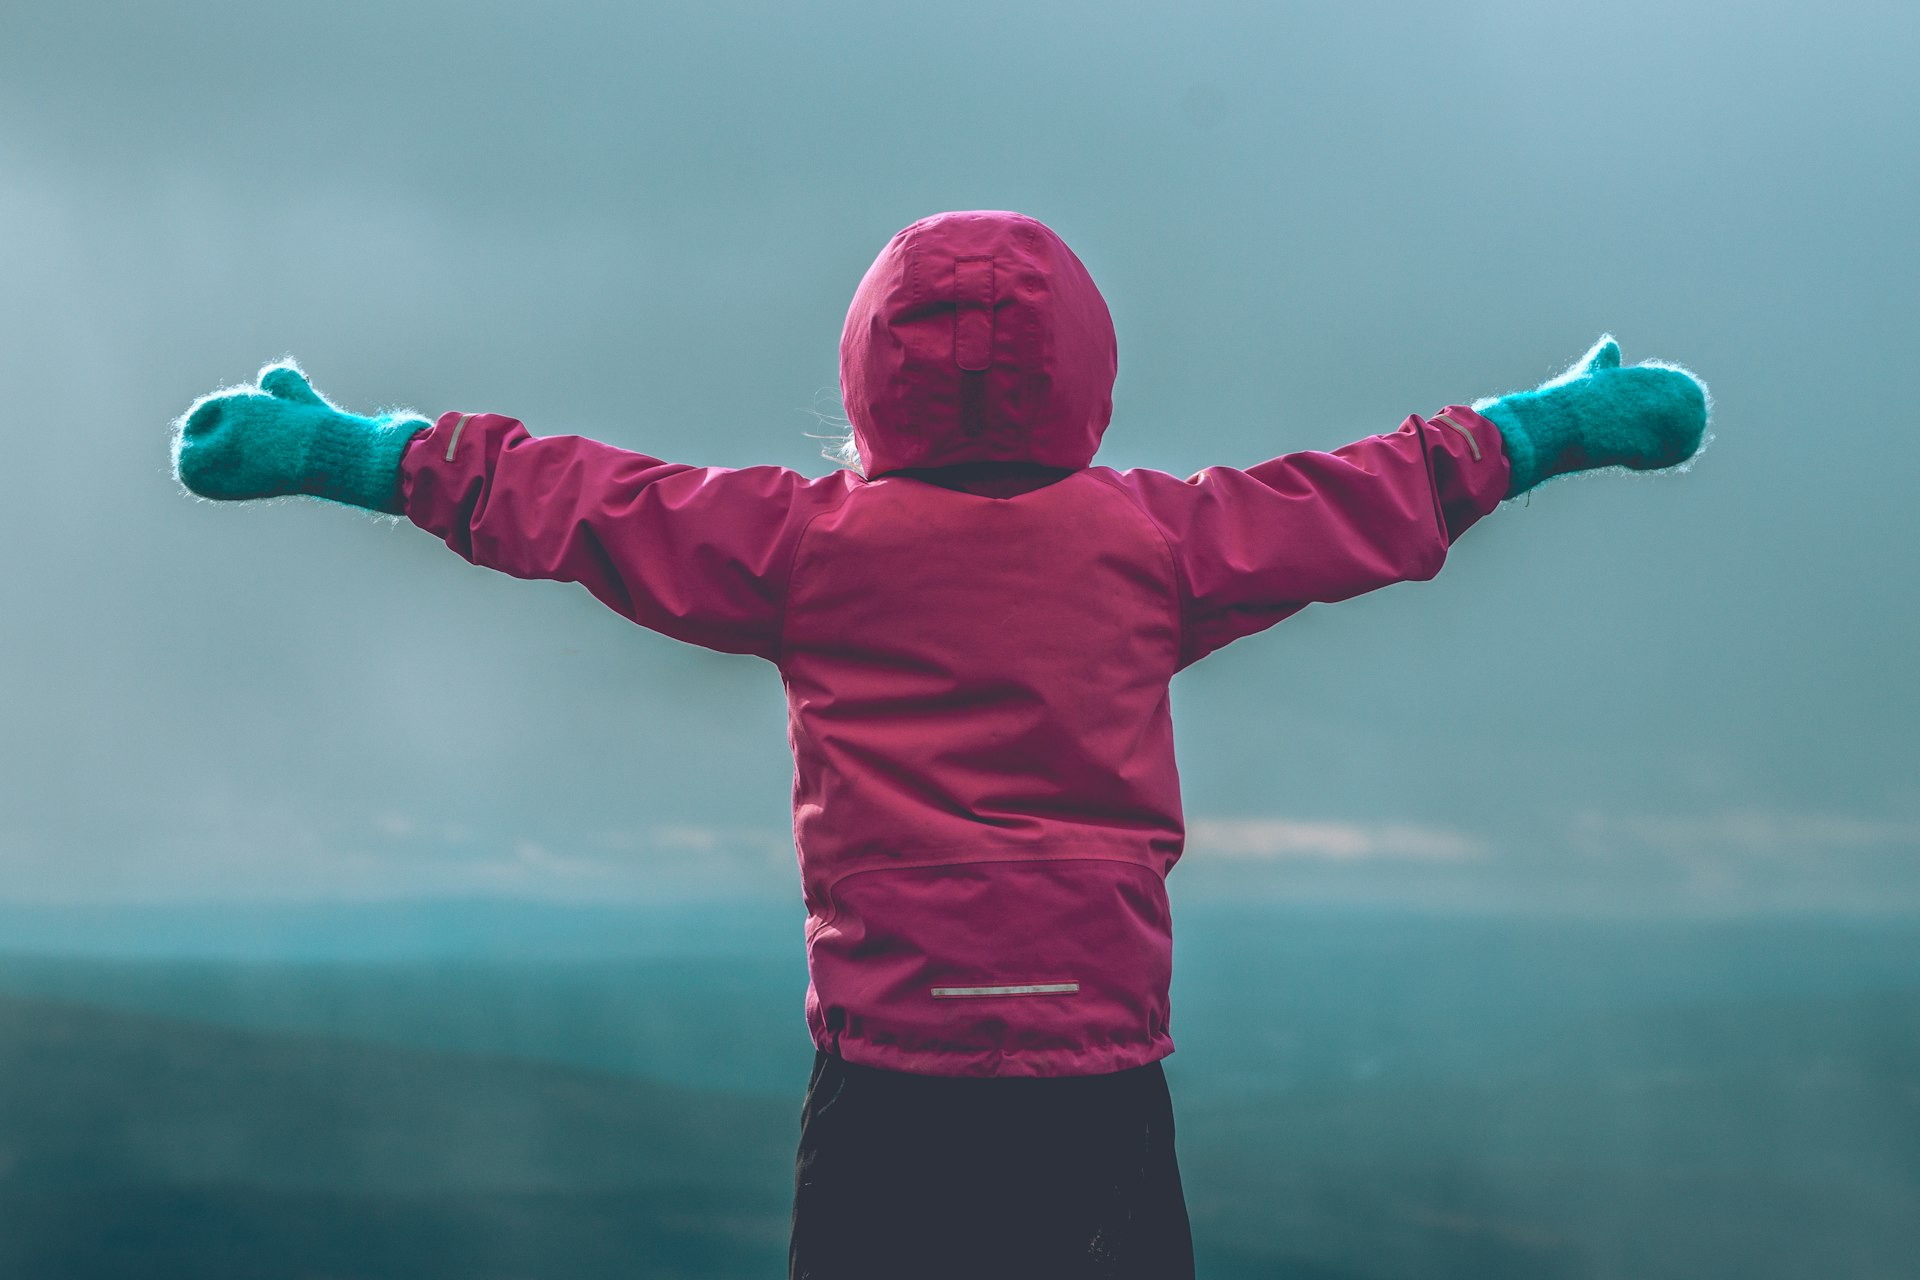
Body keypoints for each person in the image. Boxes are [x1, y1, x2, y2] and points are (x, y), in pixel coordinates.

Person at [171, 210, 1709, 1279]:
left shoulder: (802, 546)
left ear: (866, 378)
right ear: (1087, 375)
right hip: (1096, 1080)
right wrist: (1554, 423)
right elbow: (1377, 493)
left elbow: (574, 502)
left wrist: (354, 454)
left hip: (892, 1083)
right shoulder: (1156, 542)